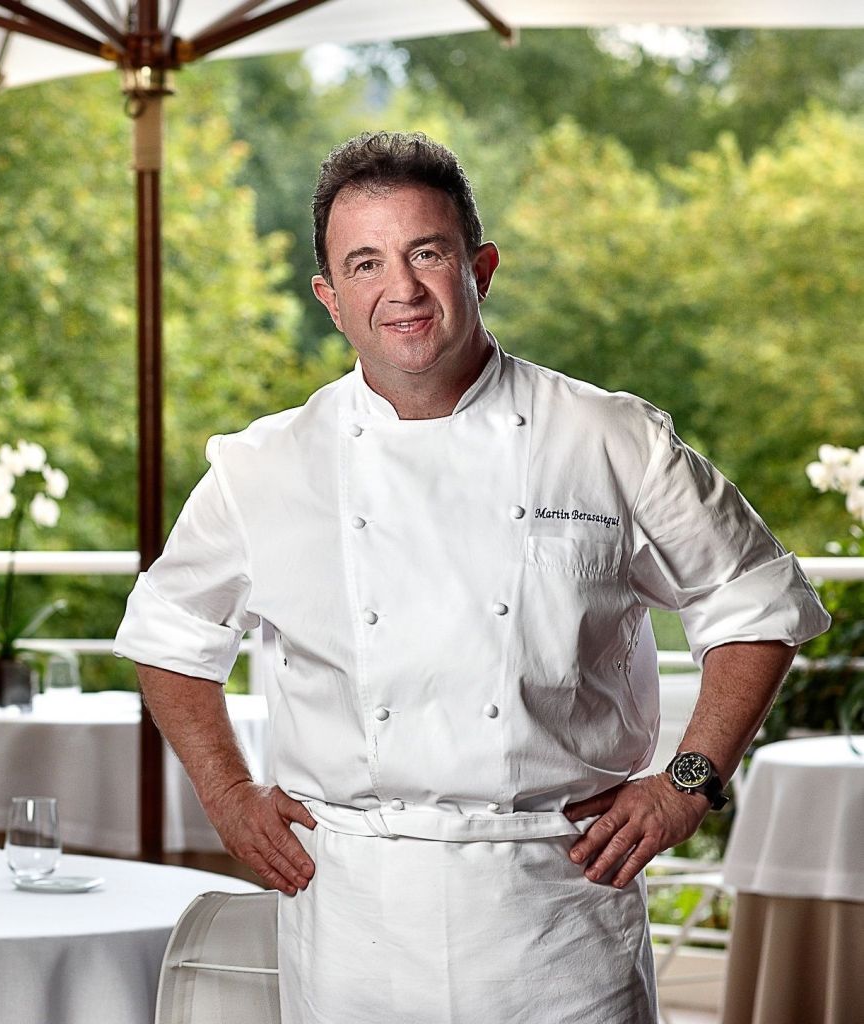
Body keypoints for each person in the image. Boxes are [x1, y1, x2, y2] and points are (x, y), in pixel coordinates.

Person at [112, 130, 830, 1023]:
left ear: (480, 267)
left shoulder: (609, 437)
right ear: (330, 299)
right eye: (366, 264)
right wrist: (226, 793)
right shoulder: (264, 465)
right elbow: (168, 633)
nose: (402, 290)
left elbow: (758, 602)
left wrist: (689, 782)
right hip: (348, 913)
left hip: (559, 908)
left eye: (428, 253)